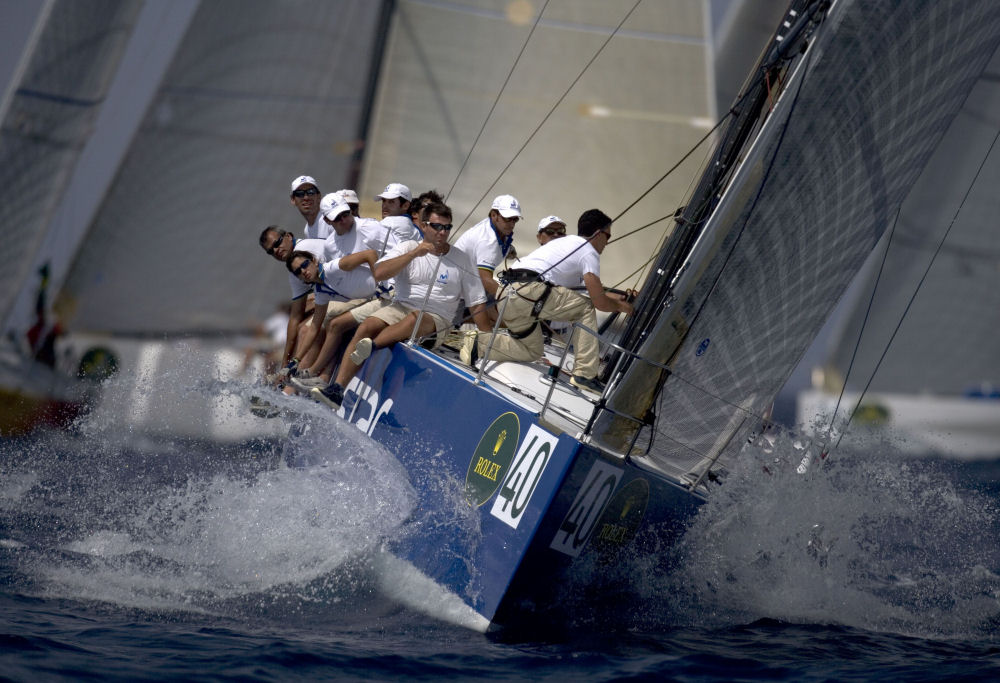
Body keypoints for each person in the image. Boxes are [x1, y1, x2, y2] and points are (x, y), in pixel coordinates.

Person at [313, 201, 492, 408]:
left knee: (415, 319)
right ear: (424, 226)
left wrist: (488, 339)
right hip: (402, 305)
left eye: (447, 227)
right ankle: (337, 390)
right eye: (437, 227)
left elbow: (477, 303)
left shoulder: (462, 259)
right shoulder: (408, 247)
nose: (442, 233)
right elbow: (379, 273)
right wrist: (413, 254)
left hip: (436, 318)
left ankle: (372, 346)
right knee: (367, 326)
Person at [461, 208, 634, 396]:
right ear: (598, 234)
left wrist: (620, 298)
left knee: (532, 350)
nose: (607, 243)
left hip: (506, 294)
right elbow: (598, 301)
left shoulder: (565, 244)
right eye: (607, 237)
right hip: (530, 292)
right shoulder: (588, 251)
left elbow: (592, 289)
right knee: (586, 308)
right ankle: (585, 374)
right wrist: (621, 307)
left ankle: (479, 342)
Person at [284, 248, 381, 385]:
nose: (303, 271)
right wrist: (296, 360)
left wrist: (381, 279)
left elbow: (370, 253)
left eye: (304, 265)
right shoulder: (320, 291)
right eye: (298, 272)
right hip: (374, 299)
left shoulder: (333, 268)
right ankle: (317, 376)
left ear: (314, 261)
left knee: (336, 324)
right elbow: (314, 327)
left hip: (386, 294)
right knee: (332, 324)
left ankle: (314, 374)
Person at [258, 226, 331, 373]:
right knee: (301, 325)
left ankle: (302, 378)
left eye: (277, 243)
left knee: (306, 329)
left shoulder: (305, 249)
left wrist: (288, 361)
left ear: (289, 236)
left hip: (358, 288)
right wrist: (286, 361)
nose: (276, 250)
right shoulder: (294, 268)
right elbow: (295, 316)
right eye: (271, 251)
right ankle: (291, 377)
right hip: (338, 293)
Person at [453, 194, 521, 303]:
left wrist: (507, 249)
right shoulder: (488, 241)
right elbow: (485, 280)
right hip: (457, 294)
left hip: (470, 286)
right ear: (494, 215)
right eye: (508, 218)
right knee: (505, 310)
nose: (512, 224)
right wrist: (512, 298)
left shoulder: (496, 229)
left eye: (515, 219)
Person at [289, 175, 326, 239]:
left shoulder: (330, 219)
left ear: (319, 196)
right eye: (300, 193)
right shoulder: (307, 231)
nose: (306, 197)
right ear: (293, 200)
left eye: (310, 192)